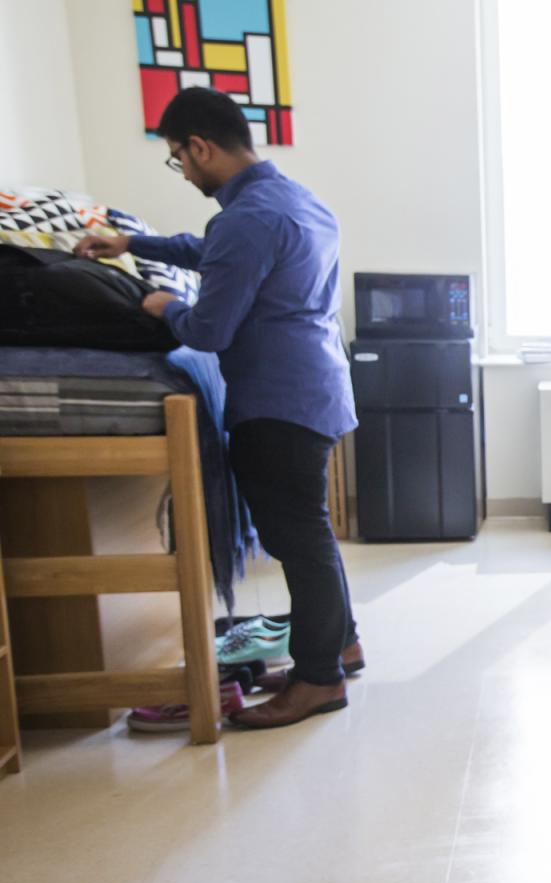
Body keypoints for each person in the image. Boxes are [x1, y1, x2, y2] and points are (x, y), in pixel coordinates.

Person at [76, 88, 362, 730]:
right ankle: (340, 645)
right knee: (310, 533)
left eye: (179, 158)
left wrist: (162, 308)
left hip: (276, 399)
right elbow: (210, 251)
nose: (185, 170)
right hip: (314, 387)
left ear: (199, 145)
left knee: (299, 539)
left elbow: (208, 330)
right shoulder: (295, 200)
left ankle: (319, 680)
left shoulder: (245, 219)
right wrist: (134, 244)